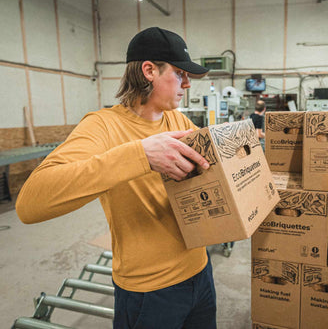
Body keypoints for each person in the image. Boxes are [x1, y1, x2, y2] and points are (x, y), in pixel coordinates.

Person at [16, 27, 217, 329]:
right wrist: (141, 156)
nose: (187, 84)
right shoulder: (103, 126)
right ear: (149, 70)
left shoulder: (177, 119)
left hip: (200, 272)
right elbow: (30, 204)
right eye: (179, 73)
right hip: (151, 290)